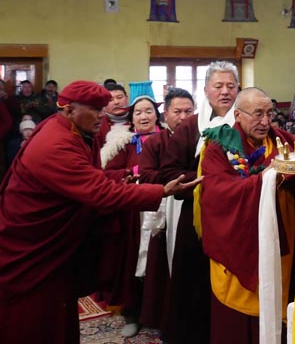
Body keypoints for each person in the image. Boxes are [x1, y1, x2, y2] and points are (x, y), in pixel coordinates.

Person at [0, 81, 201, 344]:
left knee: (58, 312)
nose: (102, 115)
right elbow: (99, 193)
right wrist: (160, 191)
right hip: (31, 245)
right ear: (69, 110)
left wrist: (120, 175)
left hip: (54, 247)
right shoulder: (54, 144)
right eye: (95, 109)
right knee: (34, 320)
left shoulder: (75, 131)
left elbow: (92, 176)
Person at [197, 88, 295, 344]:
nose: (265, 122)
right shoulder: (219, 146)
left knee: (276, 294)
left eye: (269, 113)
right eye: (257, 114)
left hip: (280, 235)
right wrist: (266, 179)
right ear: (238, 115)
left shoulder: (283, 141)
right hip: (238, 241)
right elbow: (217, 193)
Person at [159, 61, 240, 344]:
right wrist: (212, 179)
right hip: (198, 218)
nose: (225, 92)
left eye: (231, 86)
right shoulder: (190, 127)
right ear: (206, 90)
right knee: (194, 281)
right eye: (218, 86)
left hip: (237, 217)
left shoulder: (245, 122)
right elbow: (168, 172)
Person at [100, 95, 164, 337]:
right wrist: (130, 173)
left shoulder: (168, 139)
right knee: (131, 261)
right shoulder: (121, 142)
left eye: (148, 111)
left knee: (157, 261)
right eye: (138, 112)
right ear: (131, 118)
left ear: (157, 115)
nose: (144, 116)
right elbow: (107, 174)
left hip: (161, 207)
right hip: (131, 213)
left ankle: (157, 313)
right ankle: (132, 313)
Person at [137, 88, 195, 340]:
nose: (183, 117)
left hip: (193, 204)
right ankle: (161, 317)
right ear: (166, 114)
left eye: (188, 111)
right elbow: (147, 175)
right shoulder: (156, 142)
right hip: (165, 206)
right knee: (163, 266)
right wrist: (173, 178)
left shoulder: (200, 137)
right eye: (177, 112)